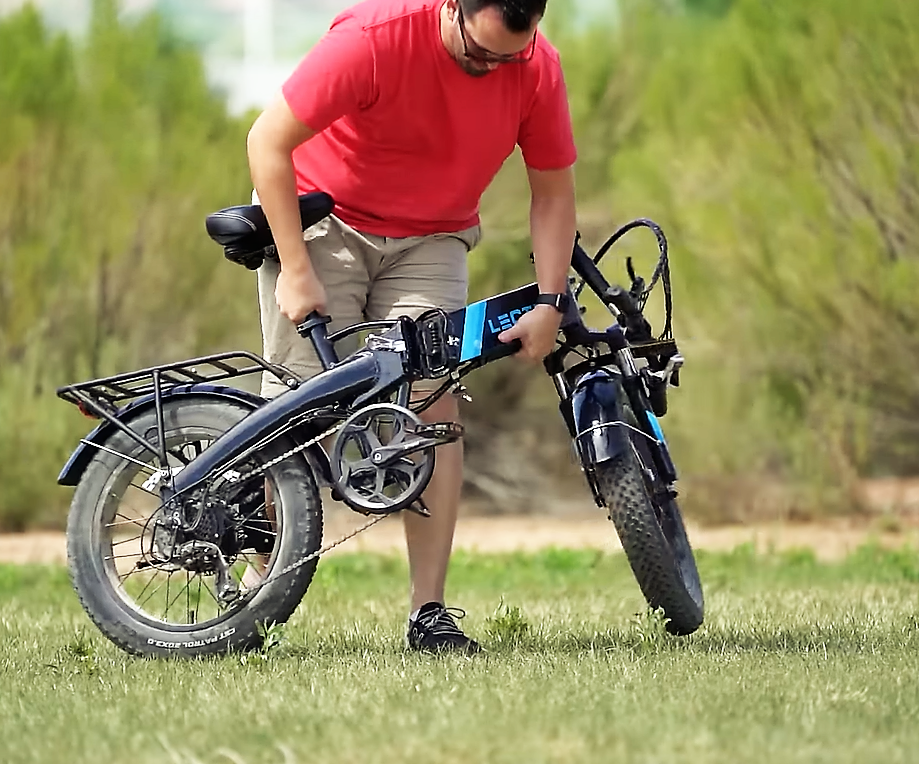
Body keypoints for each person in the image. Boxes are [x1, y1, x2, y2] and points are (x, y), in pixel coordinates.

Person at [246, 0, 577, 653]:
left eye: (507, 57)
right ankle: (253, 597)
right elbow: (267, 139)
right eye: (479, 54)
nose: (492, 70)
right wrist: (293, 267)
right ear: (451, 6)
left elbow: (553, 193)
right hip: (323, 221)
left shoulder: (535, 66)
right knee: (296, 409)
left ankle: (429, 613)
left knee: (429, 404)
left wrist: (548, 300)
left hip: (431, 236)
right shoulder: (375, 37)